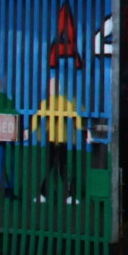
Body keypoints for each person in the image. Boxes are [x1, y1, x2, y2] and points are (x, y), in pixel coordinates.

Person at [28, 77, 82, 205]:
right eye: (51, 86)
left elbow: (76, 116)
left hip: (62, 140)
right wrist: (29, 130)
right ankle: (45, 194)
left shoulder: (64, 102)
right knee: (50, 167)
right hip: (51, 140)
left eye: (55, 86)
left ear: (60, 88)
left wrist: (84, 131)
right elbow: (37, 116)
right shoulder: (46, 103)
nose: (53, 88)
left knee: (62, 168)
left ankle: (67, 195)